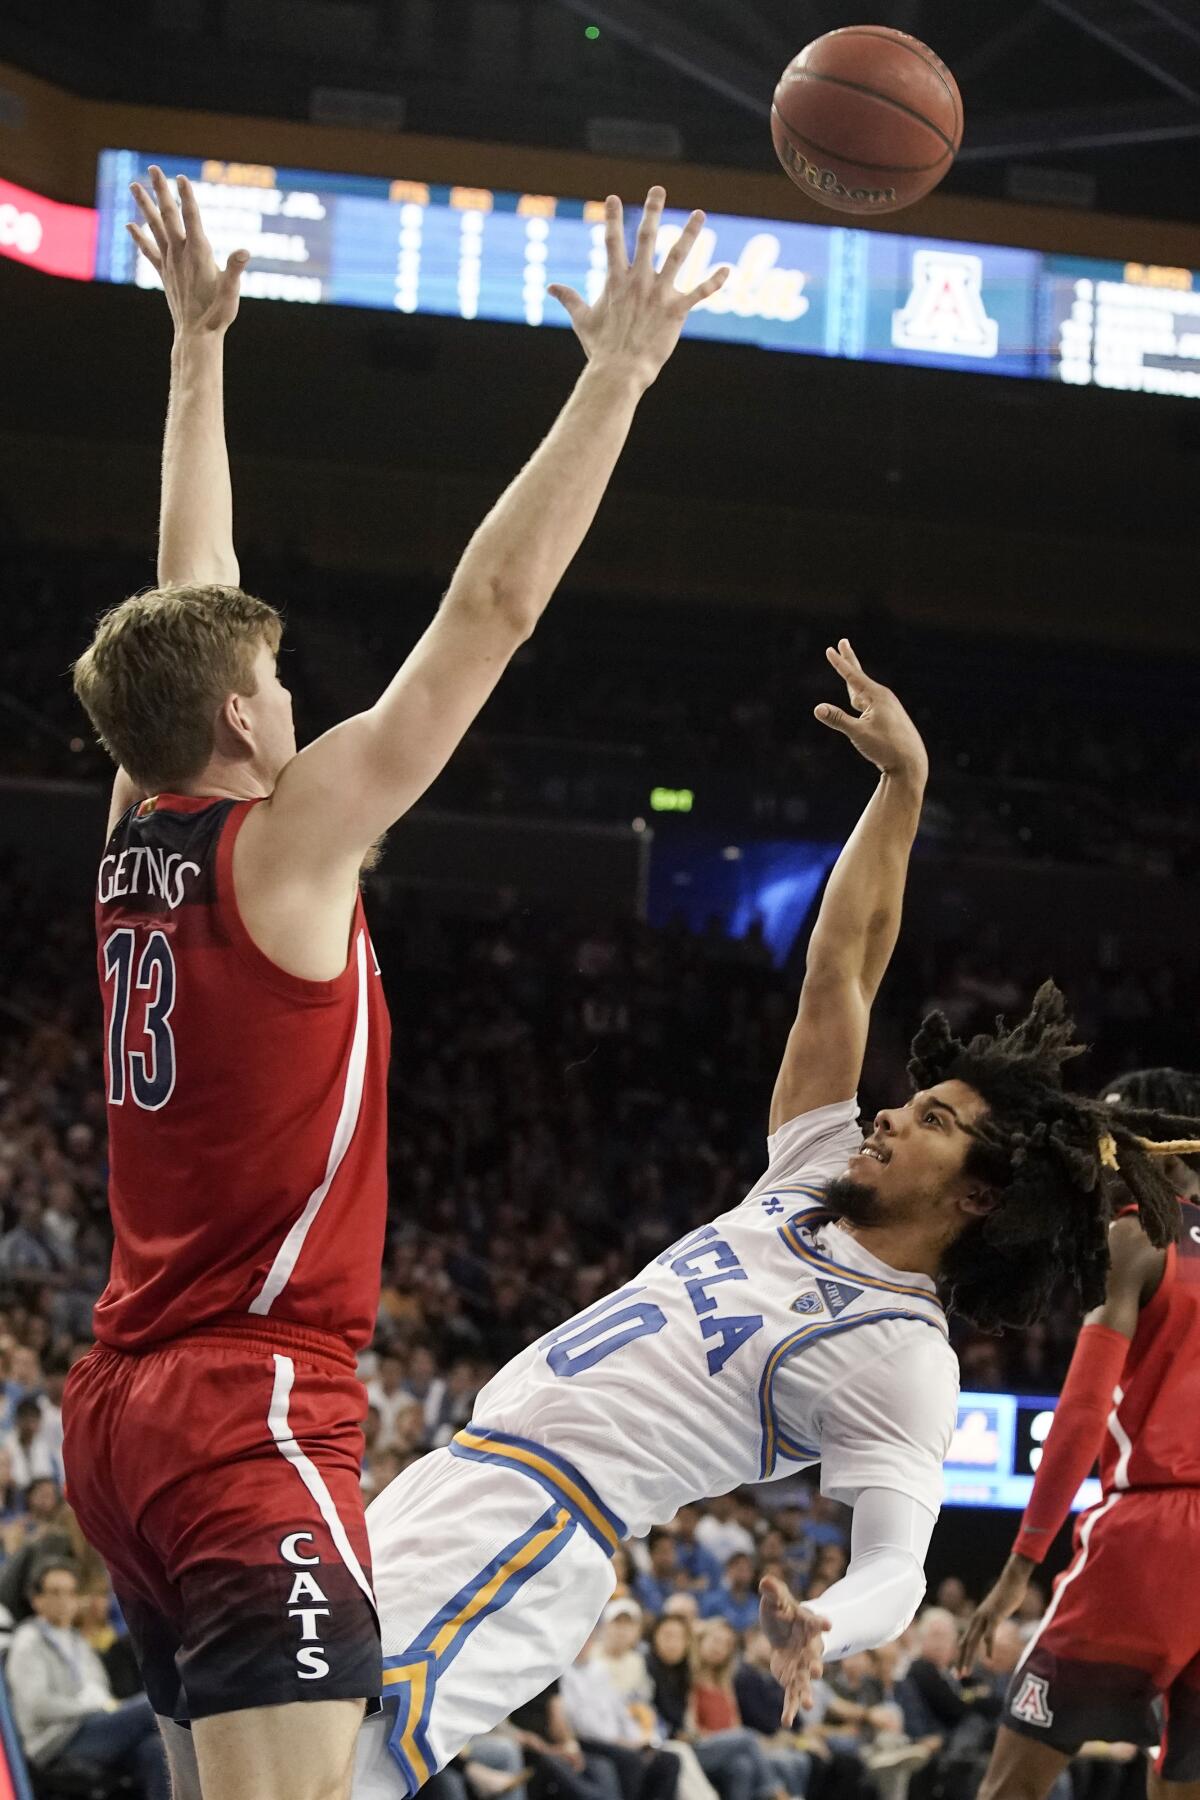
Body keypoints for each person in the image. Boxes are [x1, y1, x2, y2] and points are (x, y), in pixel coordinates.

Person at [61, 167, 729, 1800]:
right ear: (237, 725)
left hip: (123, 1416)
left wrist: (198, 348)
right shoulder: (285, 844)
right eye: (273, 680)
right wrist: (619, 374)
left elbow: (182, 585)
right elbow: (488, 617)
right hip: (244, 1412)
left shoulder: (140, 824)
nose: (290, 695)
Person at [353, 646, 1200, 1797]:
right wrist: (901, 791)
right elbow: (840, 967)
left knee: (311, 1775)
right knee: (221, 1754)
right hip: (452, 1478)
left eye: (935, 1119)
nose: (892, 1115)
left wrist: (828, 1621)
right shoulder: (807, 1175)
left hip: (540, 1527)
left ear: (978, 1196)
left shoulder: (901, 1356)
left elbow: (900, 1566)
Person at [959, 1066, 1200, 1798]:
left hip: (1155, 1530)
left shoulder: (1136, 1235)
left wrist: (1018, 1568)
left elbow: (1082, 1412)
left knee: (1011, 1785)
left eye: (1114, 1131)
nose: (1100, 1150)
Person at [6, 1559, 170, 1800]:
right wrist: (89, 1707)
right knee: (151, 1706)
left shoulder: (77, 1641)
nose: (65, 1600)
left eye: (71, 1592)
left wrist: (104, 1706)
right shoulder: (28, 1641)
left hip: (94, 1727)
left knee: (154, 1750)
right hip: (57, 1741)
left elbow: (101, 1689)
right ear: (36, 1600)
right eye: (55, 1592)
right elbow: (37, 1704)